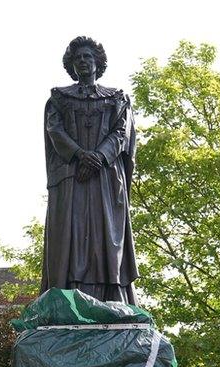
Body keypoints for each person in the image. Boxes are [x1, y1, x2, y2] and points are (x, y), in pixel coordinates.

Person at [41, 36, 139, 304]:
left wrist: (98, 157)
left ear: (98, 62)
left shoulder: (117, 99)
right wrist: (81, 156)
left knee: (104, 234)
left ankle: (113, 298)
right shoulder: (59, 99)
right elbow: (55, 131)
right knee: (70, 236)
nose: (83, 61)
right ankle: (69, 297)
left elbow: (122, 132)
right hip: (71, 177)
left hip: (105, 178)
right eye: (78, 58)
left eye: (87, 57)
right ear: (71, 66)